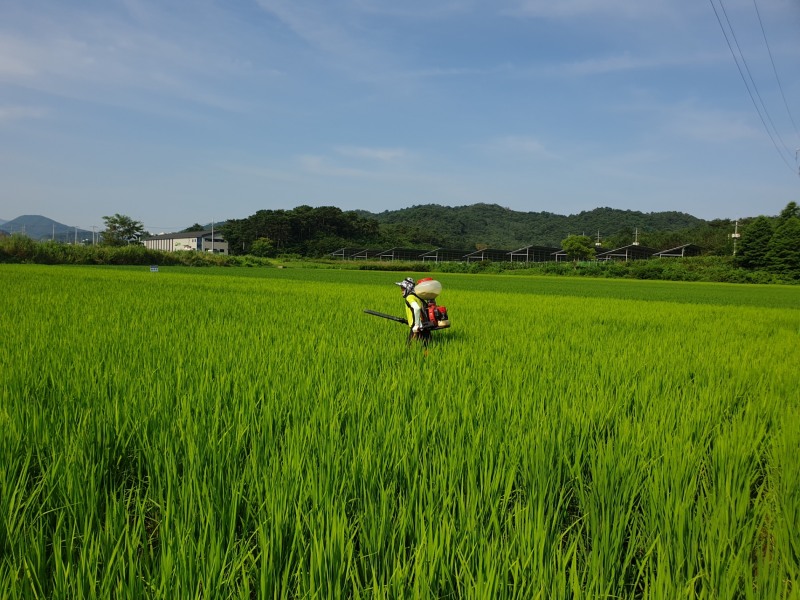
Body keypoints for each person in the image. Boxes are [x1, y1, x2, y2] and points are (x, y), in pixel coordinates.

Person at [395, 277, 431, 344]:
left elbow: (416, 308)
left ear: (408, 288)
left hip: (417, 327)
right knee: (427, 346)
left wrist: (416, 325)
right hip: (426, 325)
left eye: (403, 288)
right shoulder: (418, 297)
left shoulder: (409, 297)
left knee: (409, 347)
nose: (401, 291)